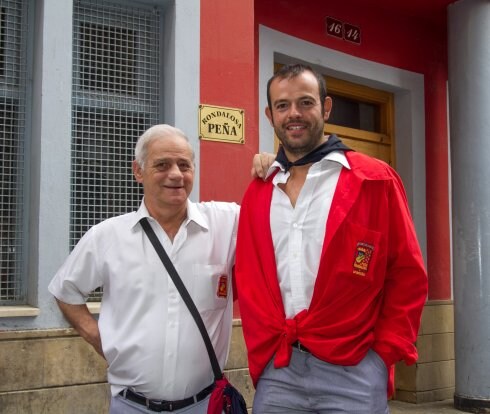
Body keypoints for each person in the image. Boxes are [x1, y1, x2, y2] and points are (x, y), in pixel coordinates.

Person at [235, 64, 428, 413]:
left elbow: (407, 275)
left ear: (325, 108)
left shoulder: (375, 180)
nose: (294, 114)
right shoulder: (259, 192)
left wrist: (381, 357)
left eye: (305, 103)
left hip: (354, 370)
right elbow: (247, 276)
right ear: (269, 115)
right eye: (282, 105)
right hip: (279, 371)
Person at [49, 124, 242, 414]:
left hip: (204, 406)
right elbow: (66, 291)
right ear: (138, 171)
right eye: (162, 165)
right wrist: (104, 341)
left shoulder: (227, 223)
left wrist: (272, 167)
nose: (175, 174)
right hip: (132, 406)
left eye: (184, 165)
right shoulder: (107, 236)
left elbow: (277, 215)